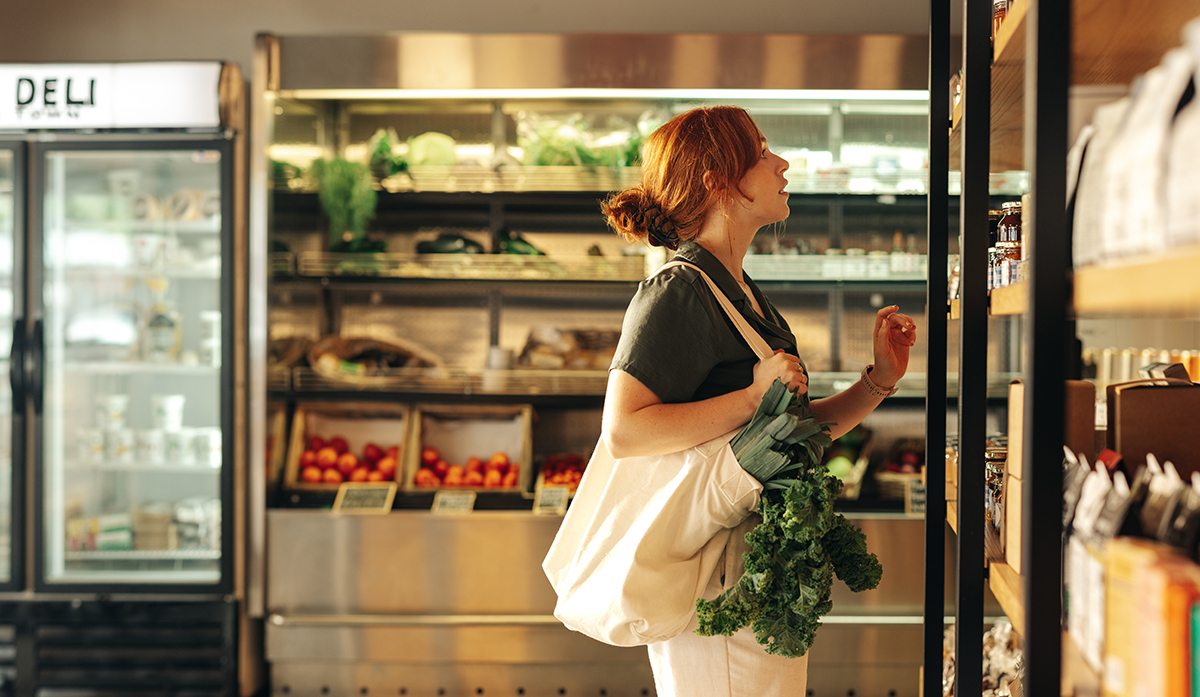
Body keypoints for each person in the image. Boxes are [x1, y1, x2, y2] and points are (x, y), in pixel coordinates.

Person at [599, 105, 917, 696]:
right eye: (764, 151)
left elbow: (790, 429)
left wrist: (877, 381)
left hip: (753, 569)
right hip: (713, 576)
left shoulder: (737, 289)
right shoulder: (678, 290)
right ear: (721, 181)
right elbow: (625, 431)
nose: (783, 163)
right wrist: (750, 396)